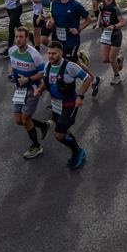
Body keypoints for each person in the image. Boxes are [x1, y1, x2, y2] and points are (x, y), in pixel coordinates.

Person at [41, 41, 94, 169]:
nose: (50, 56)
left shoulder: (70, 67)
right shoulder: (47, 65)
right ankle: (78, 151)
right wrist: (39, 90)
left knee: (58, 135)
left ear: (61, 53)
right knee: (65, 130)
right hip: (56, 104)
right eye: (49, 53)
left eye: (54, 53)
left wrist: (80, 96)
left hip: (69, 104)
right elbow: (46, 82)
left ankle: (78, 151)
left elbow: (87, 78)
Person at [8, 26, 50, 158]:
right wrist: (12, 77)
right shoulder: (12, 51)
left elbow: (43, 73)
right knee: (18, 120)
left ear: (27, 38)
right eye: (16, 37)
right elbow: (14, 68)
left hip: (33, 89)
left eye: (21, 37)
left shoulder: (34, 55)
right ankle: (43, 126)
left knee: (25, 119)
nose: (18, 40)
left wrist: (29, 79)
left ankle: (36, 146)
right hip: (20, 90)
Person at [96, 0, 125, 84]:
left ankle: (117, 76)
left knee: (111, 59)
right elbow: (100, 14)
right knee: (105, 59)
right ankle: (118, 60)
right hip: (105, 35)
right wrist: (98, 24)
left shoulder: (115, 9)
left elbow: (123, 22)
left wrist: (114, 26)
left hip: (115, 35)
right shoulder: (102, 7)